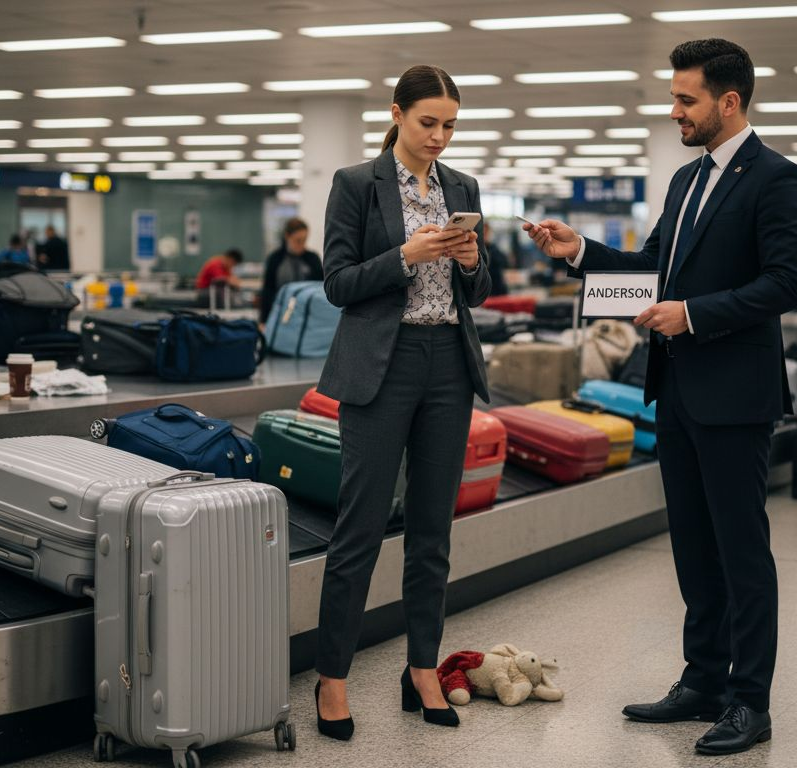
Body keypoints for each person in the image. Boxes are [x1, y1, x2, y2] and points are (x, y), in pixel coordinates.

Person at [524, 38, 797, 756]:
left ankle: (751, 701)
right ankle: (704, 680)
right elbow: (651, 274)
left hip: (736, 395)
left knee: (742, 551)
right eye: (674, 96)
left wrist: (695, 314)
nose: (674, 109)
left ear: (729, 101)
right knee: (692, 546)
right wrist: (581, 253)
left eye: (686, 98)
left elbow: (786, 281)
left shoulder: (777, 178)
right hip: (677, 390)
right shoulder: (685, 183)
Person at [313, 64, 490, 741]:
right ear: (397, 114)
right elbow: (337, 282)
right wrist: (407, 254)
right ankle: (332, 677)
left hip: (448, 362)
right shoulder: (356, 185)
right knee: (359, 531)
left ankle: (421, 668)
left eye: (449, 124)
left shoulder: (463, 188)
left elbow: (475, 289)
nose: (440, 136)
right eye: (427, 123)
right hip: (380, 369)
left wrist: (470, 260)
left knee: (432, 532)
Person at [260, 218, 324, 323]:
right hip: (281, 315)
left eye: (304, 240)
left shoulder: (313, 259)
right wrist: (263, 320)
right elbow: (267, 291)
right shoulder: (275, 259)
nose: (302, 245)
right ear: (287, 236)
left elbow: (320, 288)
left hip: (308, 315)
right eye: (298, 240)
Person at [483, 222, 510, 296]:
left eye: (486, 232)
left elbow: (506, 263)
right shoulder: (474, 251)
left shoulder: (494, 249)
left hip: (498, 289)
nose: (484, 235)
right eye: (483, 232)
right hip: (483, 291)